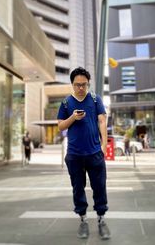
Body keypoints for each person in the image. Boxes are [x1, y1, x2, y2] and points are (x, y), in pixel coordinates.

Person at [57, 67, 110, 240]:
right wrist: (73, 117)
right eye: (77, 85)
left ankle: (101, 220)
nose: (81, 88)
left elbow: (102, 121)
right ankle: (83, 220)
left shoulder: (95, 99)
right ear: (72, 84)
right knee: (77, 188)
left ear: (88, 83)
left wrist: (103, 146)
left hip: (94, 153)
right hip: (74, 155)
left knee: (99, 186)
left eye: (84, 84)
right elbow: (60, 126)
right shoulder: (66, 103)